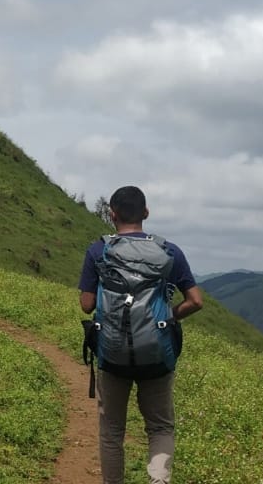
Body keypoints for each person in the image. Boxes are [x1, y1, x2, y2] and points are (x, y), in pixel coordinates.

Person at [78, 185, 203, 484]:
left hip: (112, 353)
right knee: (160, 428)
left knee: (112, 432)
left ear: (112, 215)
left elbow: (86, 305)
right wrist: (168, 316)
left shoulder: (99, 250)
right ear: (146, 213)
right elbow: (196, 301)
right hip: (157, 353)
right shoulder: (169, 251)